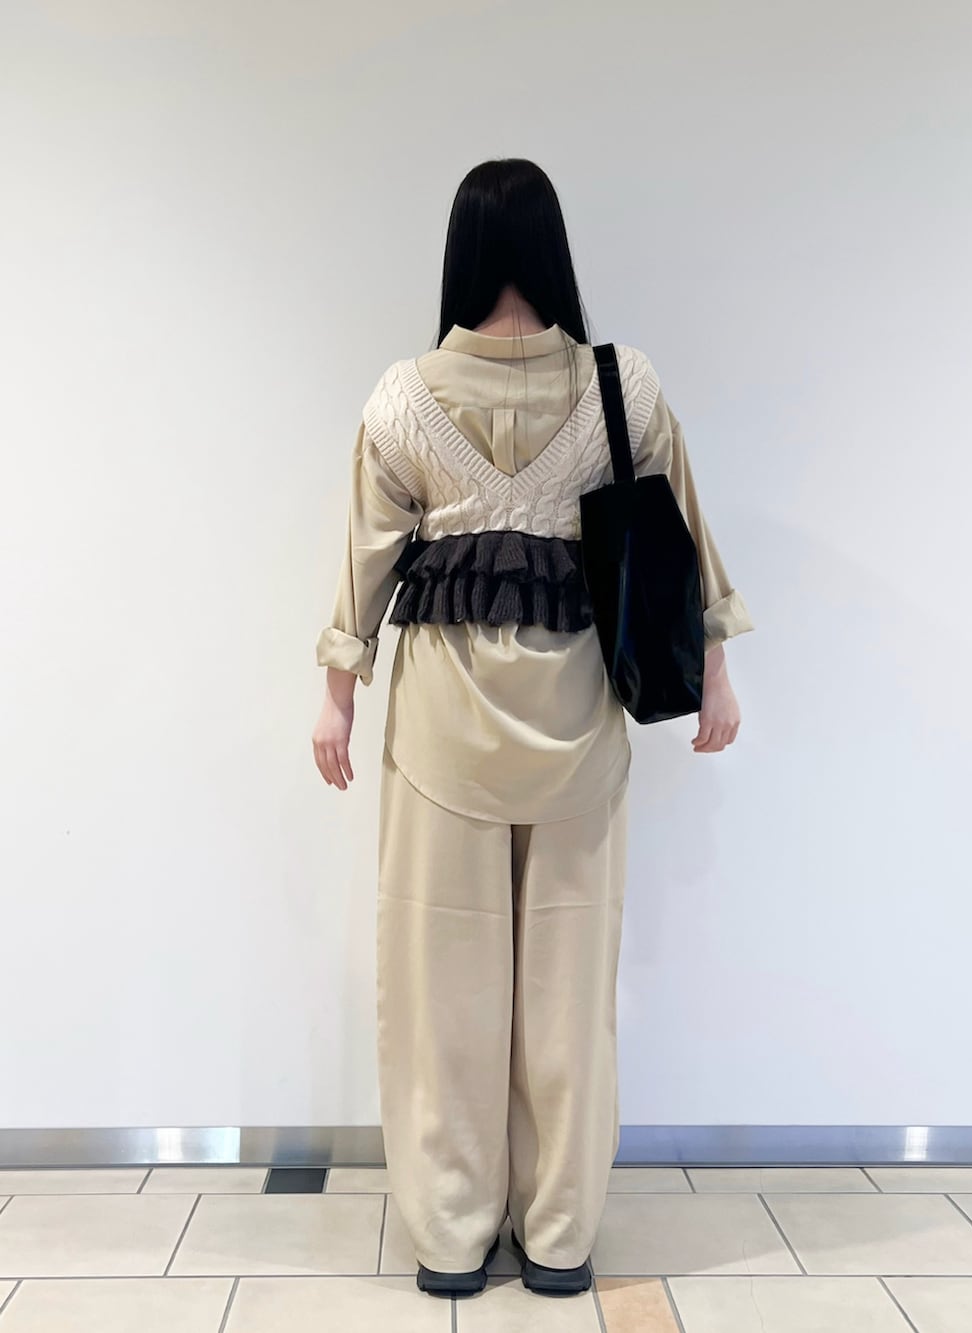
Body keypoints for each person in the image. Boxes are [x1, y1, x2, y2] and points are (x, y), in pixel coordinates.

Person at [311, 158, 754, 1300]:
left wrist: (339, 690)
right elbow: (683, 537)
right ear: (552, 249)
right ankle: (559, 1234)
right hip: (579, 724)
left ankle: (452, 1235)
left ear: (460, 252)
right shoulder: (625, 387)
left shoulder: (403, 398)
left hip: (443, 731)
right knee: (568, 990)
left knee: (440, 987)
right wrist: (713, 673)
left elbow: (365, 557)